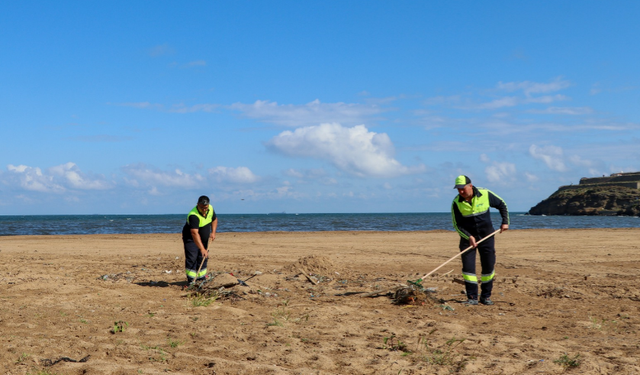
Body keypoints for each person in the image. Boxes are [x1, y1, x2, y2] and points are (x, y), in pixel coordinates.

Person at [451, 175, 509, 306]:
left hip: (487, 236)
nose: (460, 192)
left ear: (470, 186)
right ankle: (472, 297)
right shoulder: (456, 202)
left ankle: (485, 297)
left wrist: (505, 222)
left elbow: (502, 205)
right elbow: (457, 225)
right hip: (467, 238)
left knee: (488, 266)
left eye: (462, 188)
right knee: (468, 269)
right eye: (458, 189)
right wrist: (469, 237)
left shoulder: (485, 193)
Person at [182, 195, 218, 284]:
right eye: (201, 207)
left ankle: (201, 278)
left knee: (203, 257)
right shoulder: (193, 215)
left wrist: (213, 232)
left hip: (204, 238)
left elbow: (214, 219)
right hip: (191, 238)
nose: (204, 209)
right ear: (197, 204)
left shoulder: (210, 208)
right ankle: (191, 280)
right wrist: (202, 249)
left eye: (205, 207)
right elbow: (194, 233)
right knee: (192, 258)